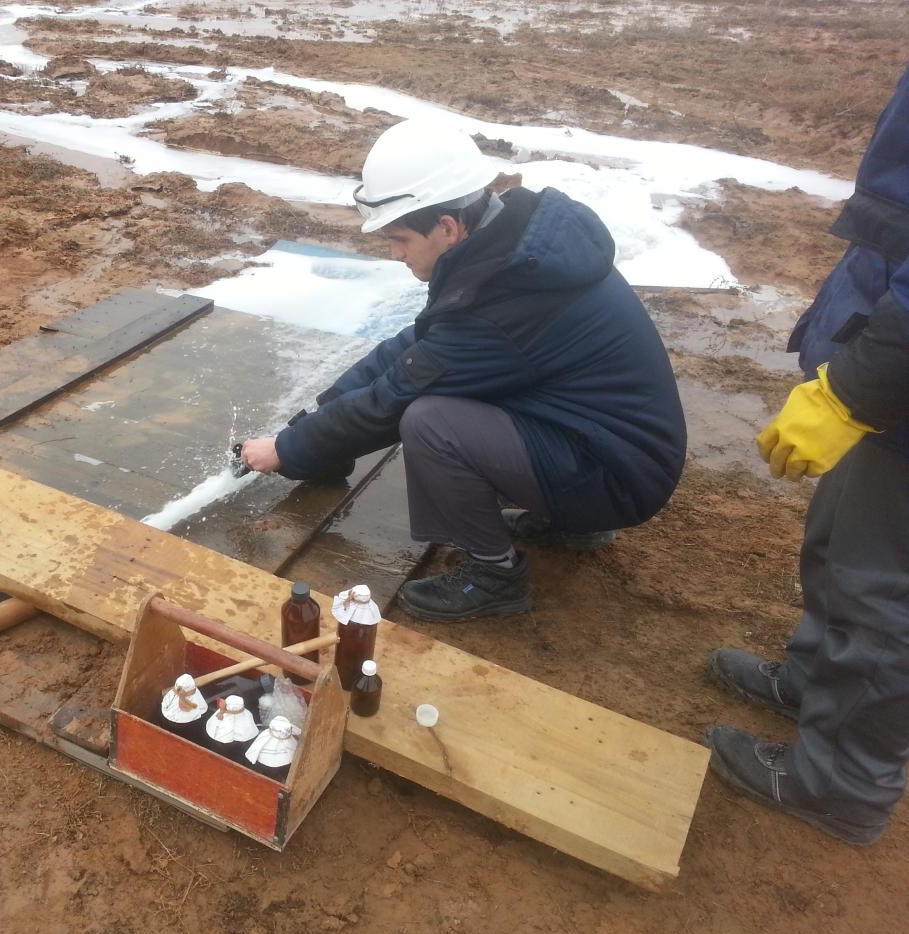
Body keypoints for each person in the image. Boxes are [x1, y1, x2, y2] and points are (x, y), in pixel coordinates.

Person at [240, 118, 687, 621]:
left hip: (618, 477)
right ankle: (573, 523)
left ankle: (494, 576)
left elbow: (394, 398)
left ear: (447, 227)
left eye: (400, 238)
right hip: (616, 449)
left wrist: (289, 450)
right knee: (448, 392)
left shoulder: (503, 302)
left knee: (431, 422)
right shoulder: (514, 251)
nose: (394, 253)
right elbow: (412, 349)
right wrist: (314, 418)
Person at [705, 67, 909, 845]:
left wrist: (850, 391)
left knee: (881, 592)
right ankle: (815, 681)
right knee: (835, 547)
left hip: (891, 373)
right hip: (886, 365)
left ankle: (841, 785)